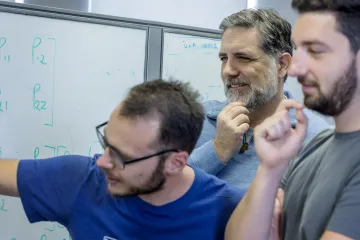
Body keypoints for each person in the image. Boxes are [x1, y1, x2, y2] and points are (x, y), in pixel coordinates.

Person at [0, 79, 244, 240]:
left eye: (122, 157)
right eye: (107, 144)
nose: (103, 162)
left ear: (175, 162)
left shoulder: (230, 210)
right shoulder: (81, 180)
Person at [225, 0, 360, 239]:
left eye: (316, 51)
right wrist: (271, 168)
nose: (295, 69)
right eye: (300, 51)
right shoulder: (314, 147)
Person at [188, 8, 329, 189]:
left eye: (243, 57)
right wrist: (217, 149)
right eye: (224, 58)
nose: (227, 71)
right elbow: (157, 193)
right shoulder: (194, 119)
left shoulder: (316, 140)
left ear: (282, 65)